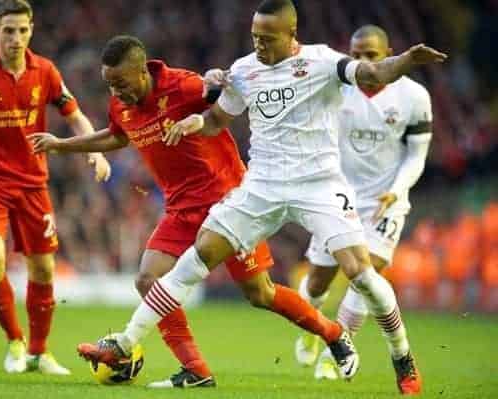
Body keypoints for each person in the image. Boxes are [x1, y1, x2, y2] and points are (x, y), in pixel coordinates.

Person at [70, 0, 446, 393]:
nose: (260, 46)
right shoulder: (245, 70)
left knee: (360, 274)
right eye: (255, 38)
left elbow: (371, 74)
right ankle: (124, 344)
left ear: (291, 35)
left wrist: (404, 60)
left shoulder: (321, 61)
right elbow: (217, 119)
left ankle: (402, 355)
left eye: (268, 39)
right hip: (262, 186)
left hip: (318, 183)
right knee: (195, 259)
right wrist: (195, 121)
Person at [30, 34, 358, 388]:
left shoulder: (182, 86)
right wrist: (63, 145)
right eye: (109, 85)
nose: (116, 93)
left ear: (142, 71)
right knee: (147, 278)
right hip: (180, 209)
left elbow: (227, 96)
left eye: (121, 84)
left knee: (259, 293)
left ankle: (333, 333)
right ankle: (196, 370)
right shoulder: (121, 104)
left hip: (229, 203)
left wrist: (217, 79)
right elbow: (117, 135)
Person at [0, 0, 110, 375]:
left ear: (31, 29)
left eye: (22, 30)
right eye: (8, 31)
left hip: (33, 184)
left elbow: (75, 115)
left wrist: (94, 152)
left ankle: (39, 352)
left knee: (44, 271)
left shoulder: (46, 71)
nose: (16, 38)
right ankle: (15, 341)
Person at [294, 25, 434, 383]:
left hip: (385, 200)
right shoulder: (337, 88)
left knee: (366, 274)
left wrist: (398, 189)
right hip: (336, 197)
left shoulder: (414, 96)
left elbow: (417, 155)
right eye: (355, 55)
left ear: (389, 53)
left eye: (371, 55)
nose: (362, 62)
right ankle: (312, 327)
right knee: (317, 283)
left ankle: (335, 352)